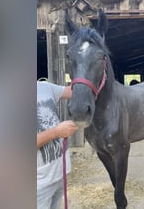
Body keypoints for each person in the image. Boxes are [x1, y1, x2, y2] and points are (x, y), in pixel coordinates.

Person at [37, 81, 79, 209]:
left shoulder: (44, 86)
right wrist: (56, 132)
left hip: (59, 174)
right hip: (39, 184)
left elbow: (74, 91)